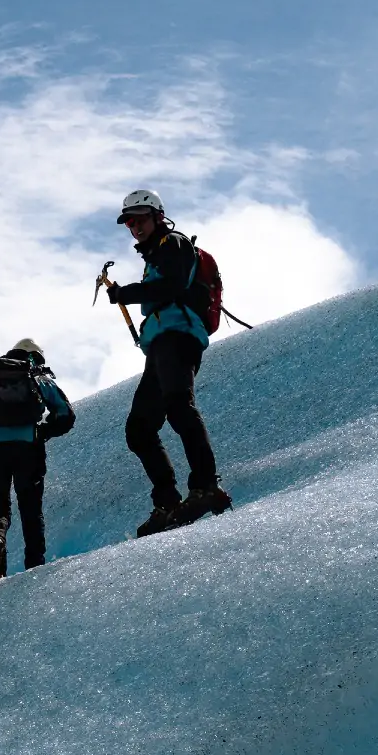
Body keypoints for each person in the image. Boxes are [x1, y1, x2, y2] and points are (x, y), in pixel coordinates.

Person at [100, 189, 233, 537]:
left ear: (158, 216)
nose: (135, 226)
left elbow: (171, 286)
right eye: (130, 221)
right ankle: (168, 502)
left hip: (179, 336)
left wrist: (124, 293)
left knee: (178, 406)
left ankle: (205, 486)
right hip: (163, 342)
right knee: (139, 430)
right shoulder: (156, 254)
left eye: (140, 218)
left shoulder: (172, 244)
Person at [0, 338, 76, 579]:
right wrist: (43, 431)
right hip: (27, 447)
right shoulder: (39, 378)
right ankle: (34, 567)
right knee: (31, 507)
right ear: (36, 356)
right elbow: (66, 414)